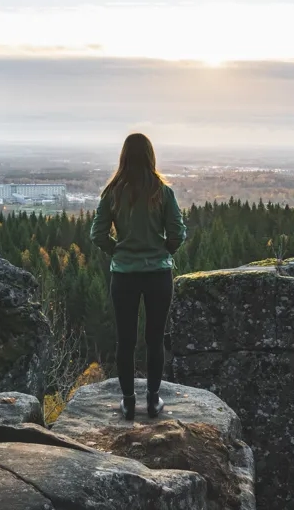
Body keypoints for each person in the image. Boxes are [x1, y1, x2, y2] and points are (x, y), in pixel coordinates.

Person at [90, 133, 187, 421]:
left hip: (124, 276)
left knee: (126, 340)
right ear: (150, 155)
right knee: (155, 339)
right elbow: (178, 233)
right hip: (158, 274)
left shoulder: (113, 192)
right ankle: (153, 400)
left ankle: (129, 402)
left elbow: (97, 234)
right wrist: (164, 249)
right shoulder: (162, 191)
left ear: (123, 156)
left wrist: (117, 251)